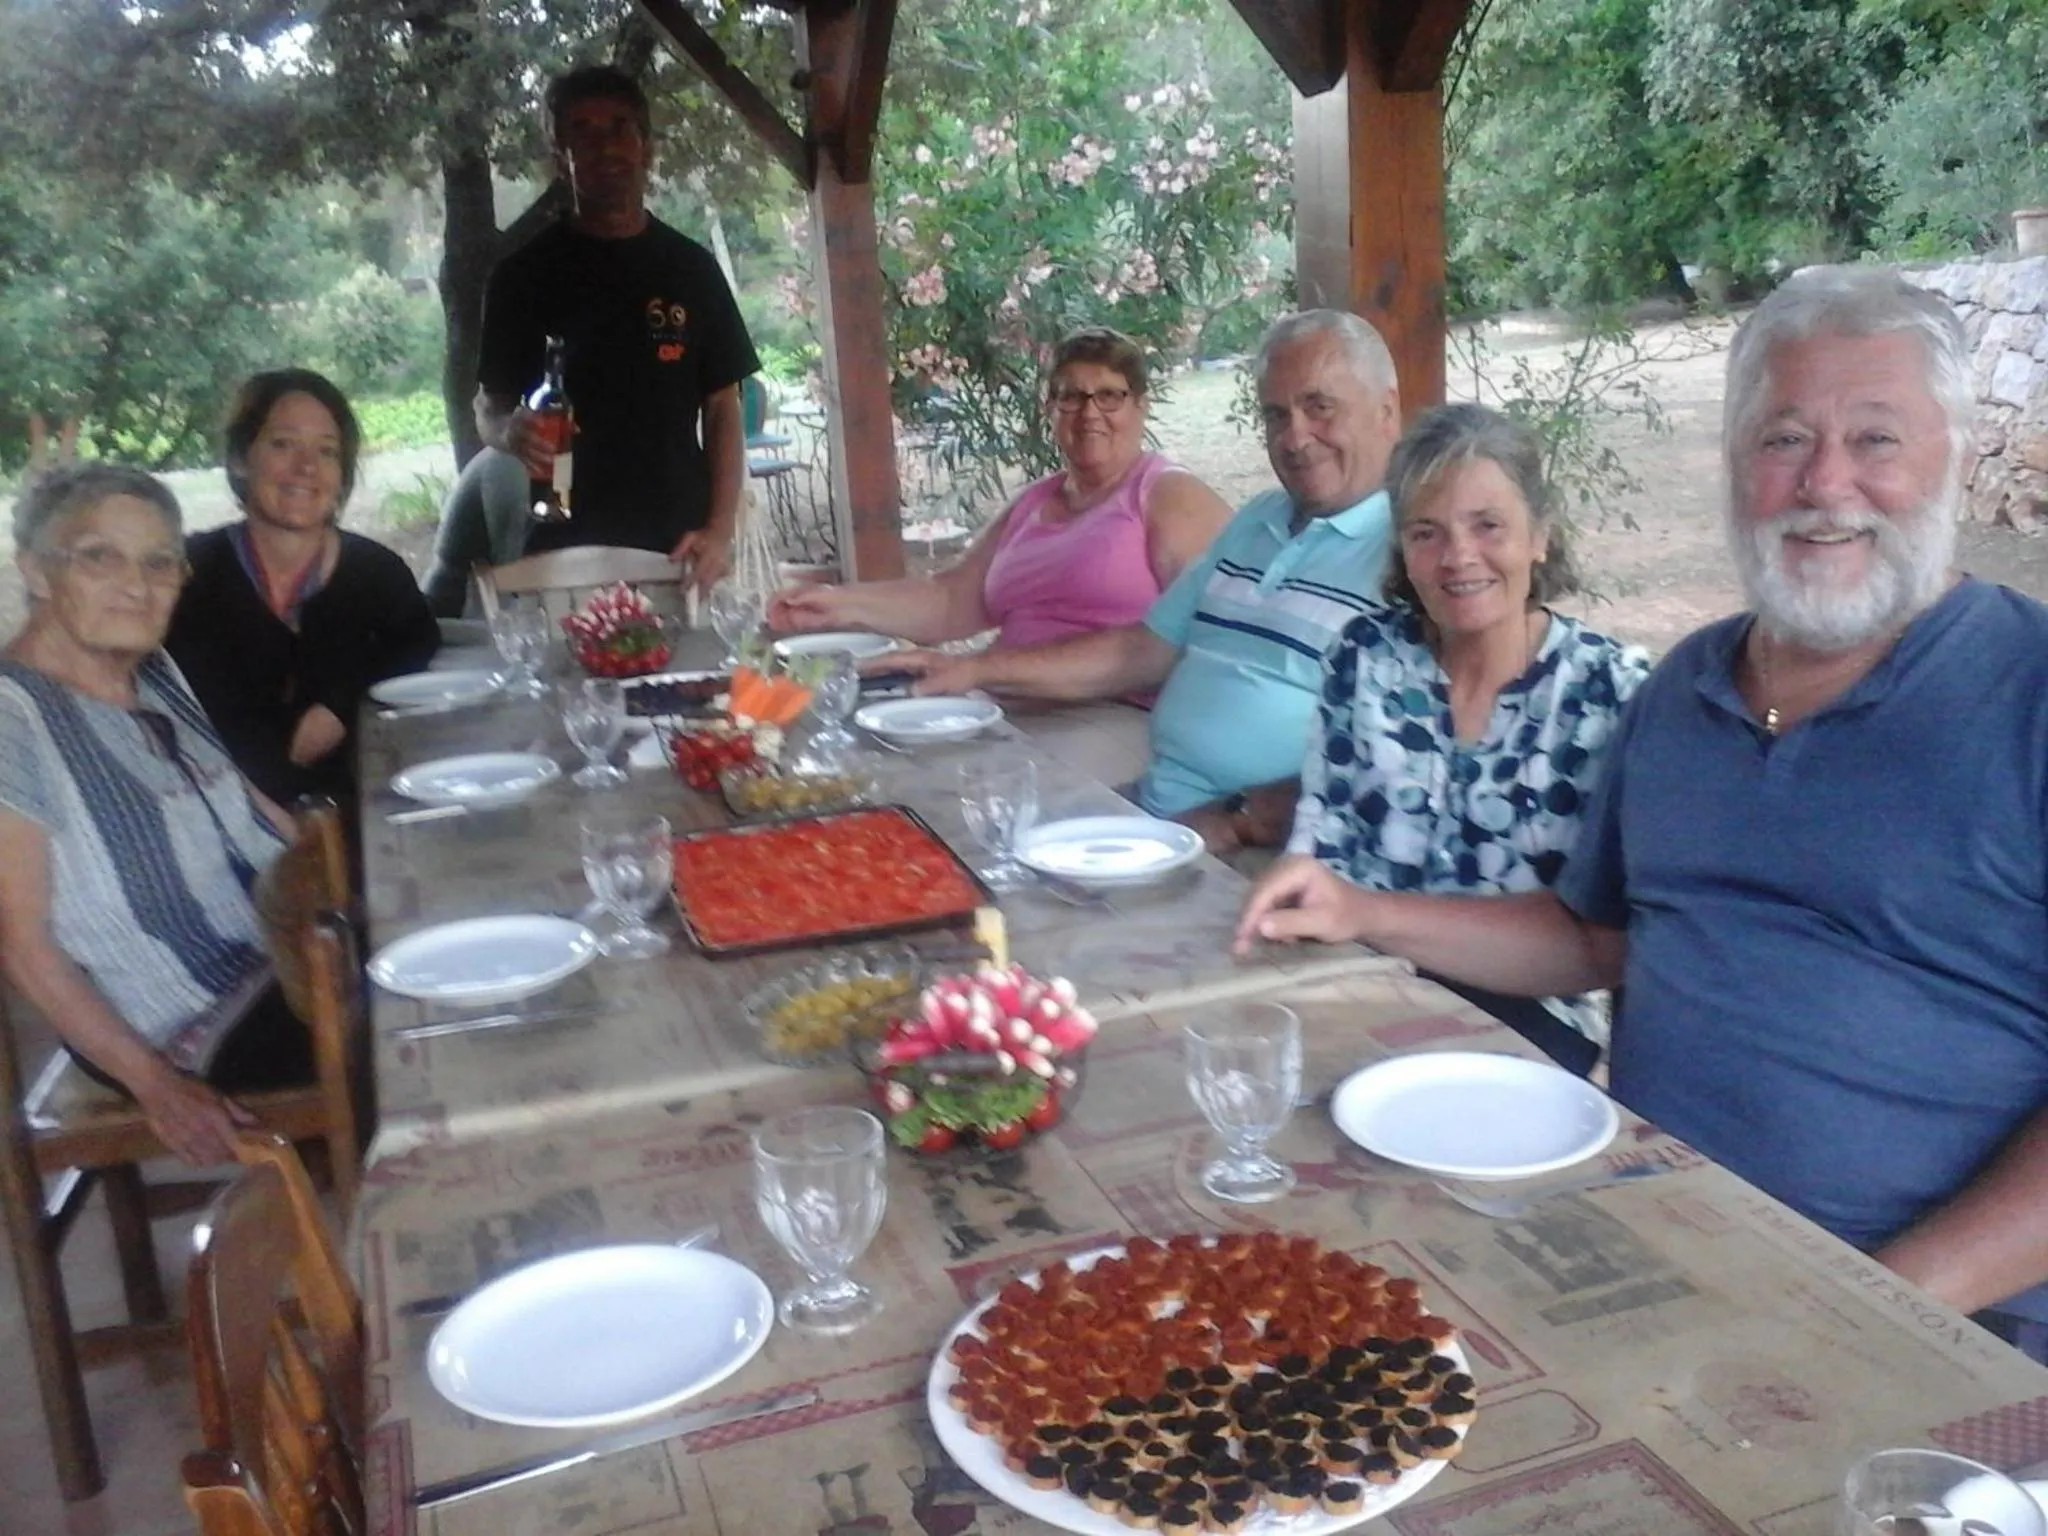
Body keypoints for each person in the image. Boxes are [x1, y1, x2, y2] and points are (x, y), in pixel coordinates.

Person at [1238, 267, 2048, 1359]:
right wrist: (1358, 910)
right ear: (1732, 466)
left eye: (1874, 440)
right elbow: (1591, 939)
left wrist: (1867, 1303)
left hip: (1940, 1327)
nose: (1823, 483)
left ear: (1953, 452)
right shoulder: (1684, 691)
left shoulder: (2025, 695)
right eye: (1780, 440)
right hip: (1647, 1242)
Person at [890, 309, 1405, 856]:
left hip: (1264, 849)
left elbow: (1401, 757)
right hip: (1159, 807)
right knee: (950, 835)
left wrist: (1238, 820)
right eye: (1276, 415)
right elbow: (1141, 650)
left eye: (1319, 407)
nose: (1295, 437)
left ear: (1386, 411)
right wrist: (973, 669)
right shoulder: (1260, 520)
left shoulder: (1409, 555)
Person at [1286, 403, 1649, 1074]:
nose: (1458, 558)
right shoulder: (1365, 657)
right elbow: (1320, 846)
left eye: (1488, 526)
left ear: (1541, 535)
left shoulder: (1612, 693)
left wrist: (1364, 914)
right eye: (1426, 533)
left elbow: (1612, 938)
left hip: (1523, 1021)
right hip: (1354, 987)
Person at [0, 464, 310, 1168]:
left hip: (278, 955)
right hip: (183, 1018)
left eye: (159, 563)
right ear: (39, 573)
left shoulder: (153, 672)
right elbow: (20, 940)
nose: (136, 586)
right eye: (99, 557)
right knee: (411, 1031)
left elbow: (249, 806)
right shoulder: (10, 715)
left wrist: (362, 884)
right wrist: (157, 1084)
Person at [767, 328, 1232, 653]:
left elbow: (1213, 638)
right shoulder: (1033, 503)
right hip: (1005, 703)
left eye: (1109, 396)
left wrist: (982, 673)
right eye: (1070, 396)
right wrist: (834, 605)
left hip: (1114, 712)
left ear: (1141, 407)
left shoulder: (1168, 495)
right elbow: (948, 602)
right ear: (1049, 409)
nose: (1089, 414)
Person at [474, 63, 760, 584]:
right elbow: (490, 408)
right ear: (561, 160)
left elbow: (723, 407)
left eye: (619, 129)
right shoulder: (522, 276)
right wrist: (509, 431)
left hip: (681, 548)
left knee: (701, 670)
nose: (604, 148)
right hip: (560, 544)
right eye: (582, 133)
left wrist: (720, 529)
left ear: (647, 149)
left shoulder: (690, 269)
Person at [165, 369, 440, 809]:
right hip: (216, 821)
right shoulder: (186, 575)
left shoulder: (375, 573)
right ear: (240, 458)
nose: (306, 467)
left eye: (327, 452)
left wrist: (339, 705)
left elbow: (417, 639)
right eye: (282, 444)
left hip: (349, 824)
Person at [421, 448, 533, 617]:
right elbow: (508, 566)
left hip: (475, 595)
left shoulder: (503, 458)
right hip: (459, 604)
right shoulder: (506, 463)